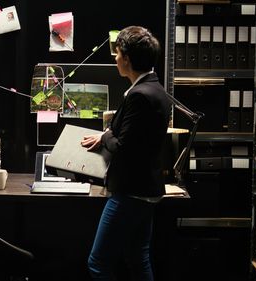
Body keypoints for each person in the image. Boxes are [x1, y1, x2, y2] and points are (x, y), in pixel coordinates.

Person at [81, 26, 171, 281]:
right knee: (137, 258)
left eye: (118, 53)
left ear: (128, 59)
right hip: (146, 191)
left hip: (131, 193)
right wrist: (109, 134)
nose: (115, 58)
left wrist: (106, 134)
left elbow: (123, 147)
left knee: (97, 263)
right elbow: (135, 138)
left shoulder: (140, 96)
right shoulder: (155, 89)